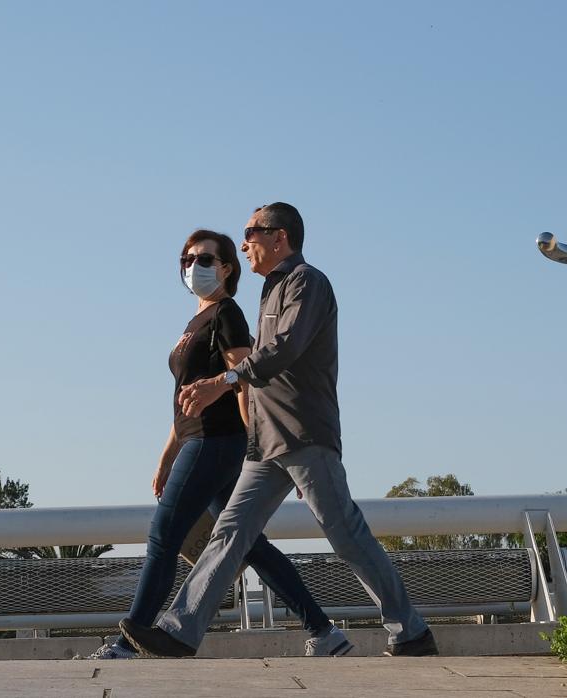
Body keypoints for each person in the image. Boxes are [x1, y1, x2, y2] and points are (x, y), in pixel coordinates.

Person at [121, 203, 437, 658]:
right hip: (265, 442)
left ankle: (411, 632)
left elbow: (284, 349)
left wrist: (224, 380)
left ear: (280, 237)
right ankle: (178, 632)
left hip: (304, 434)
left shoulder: (308, 282)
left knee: (345, 534)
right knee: (229, 532)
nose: (244, 241)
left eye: (252, 231)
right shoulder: (270, 289)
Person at [90, 229, 351, 659]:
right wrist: (165, 459)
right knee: (249, 543)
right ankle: (324, 632)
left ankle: (128, 643)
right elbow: (187, 398)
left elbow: (244, 387)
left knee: (163, 537)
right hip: (197, 441)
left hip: (218, 442)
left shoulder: (227, 313)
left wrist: (259, 447)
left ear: (227, 268)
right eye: (188, 259)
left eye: (206, 259)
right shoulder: (195, 321)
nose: (194, 266)